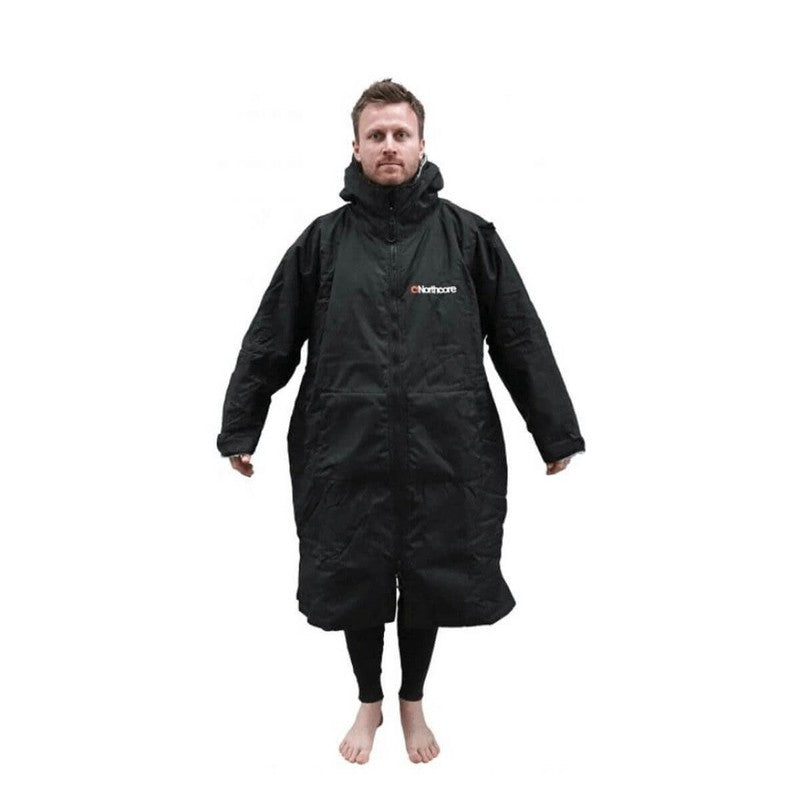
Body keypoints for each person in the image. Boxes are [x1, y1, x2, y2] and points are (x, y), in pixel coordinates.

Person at [217, 79, 586, 764]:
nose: (389, 145)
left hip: (446, 444)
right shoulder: (322, 244)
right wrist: (242, 426)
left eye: (400, 134)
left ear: (421, 144)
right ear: (356, 147)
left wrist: (554, 430)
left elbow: (518, 336)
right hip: (344, 441)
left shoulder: (468, 238)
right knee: (355, 573)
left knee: (430, 571)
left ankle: (412, 698)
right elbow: (270, 339)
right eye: (376, 135)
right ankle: (369, 699)